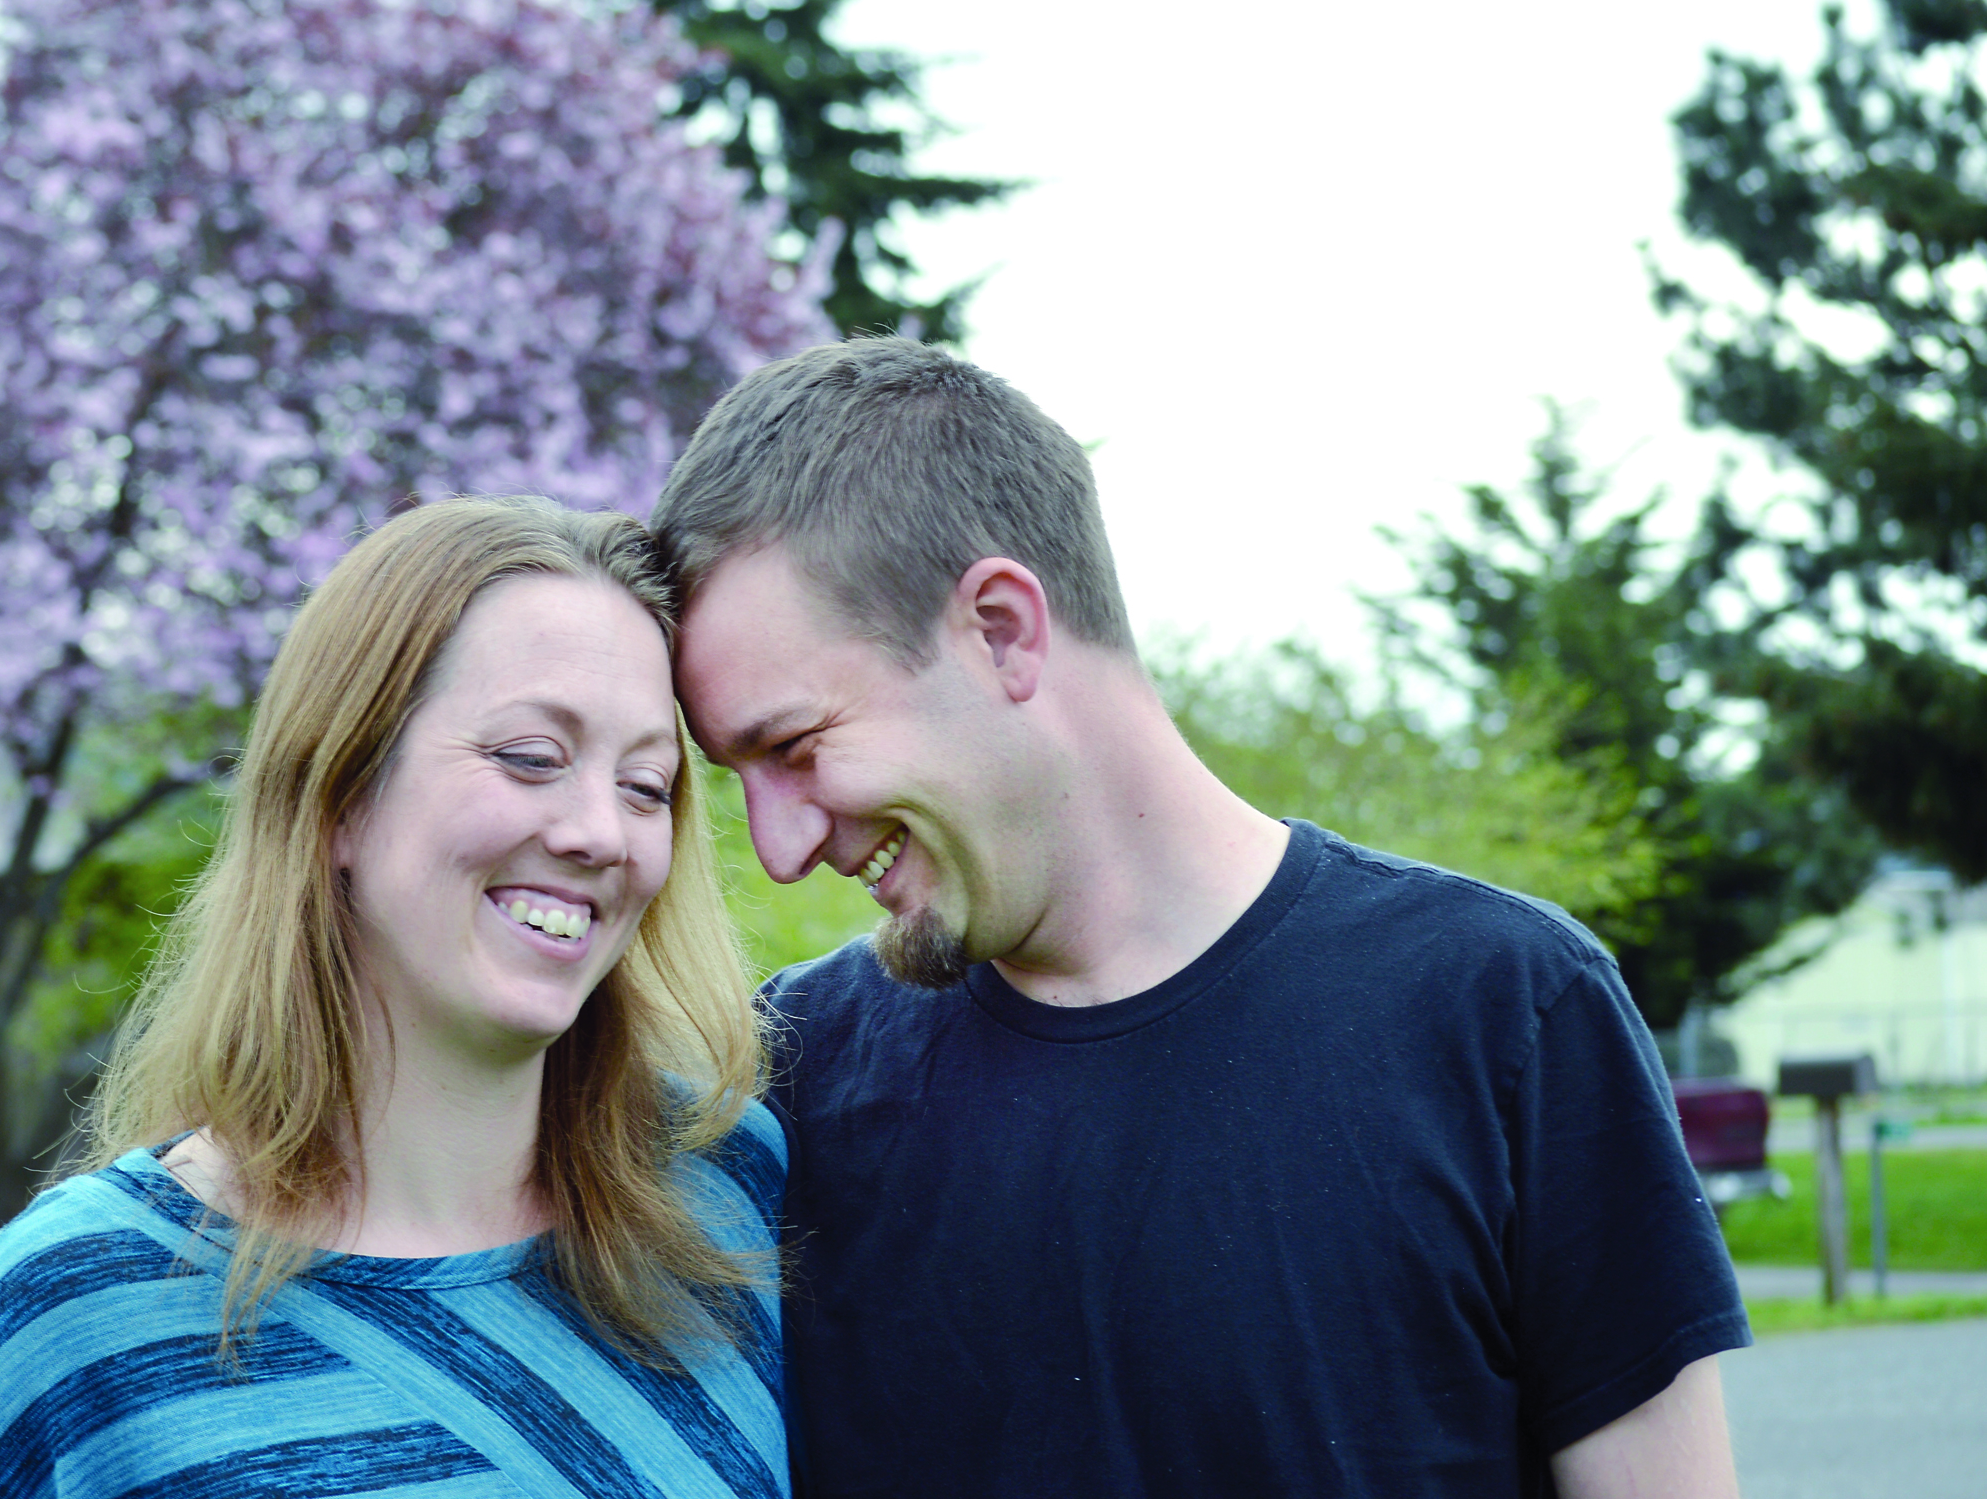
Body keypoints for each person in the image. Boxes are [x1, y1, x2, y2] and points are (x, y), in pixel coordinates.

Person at [650, 338, 1749, 1499]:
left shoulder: (1506, 1012)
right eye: (737, 778)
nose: (776, 851)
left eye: (794, 746)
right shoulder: (784, 1083)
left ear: (1002, 630)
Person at [0, 497, 788, 1499]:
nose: (601, 833)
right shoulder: (78, 1303)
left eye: (644, 786)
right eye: (530, 757)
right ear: (341, 801)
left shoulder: (730, 1196)